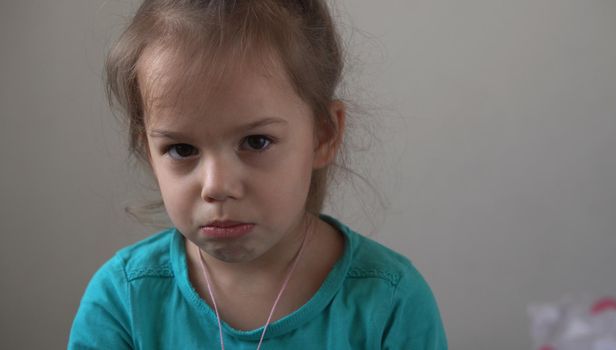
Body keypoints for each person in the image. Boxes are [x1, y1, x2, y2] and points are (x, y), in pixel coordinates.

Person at [68, 0, 447, 349]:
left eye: (256, 142)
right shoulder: (123, 301)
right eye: (181, 149)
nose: (216, 186)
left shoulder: (391, 304)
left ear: (323, 134)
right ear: (148, 150)